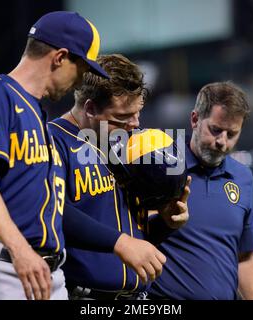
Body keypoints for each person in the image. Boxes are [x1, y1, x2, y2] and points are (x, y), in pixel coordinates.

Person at [0, 11, 110, 300]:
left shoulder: (38, 115)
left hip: (44, 271)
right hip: (2, 264)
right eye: (81, 69)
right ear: (60, 57)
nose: (80, 82)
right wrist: (20, 249)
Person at [47, 54, 190, 300]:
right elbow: (51, 209)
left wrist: (166, 222)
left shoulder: (127, 146)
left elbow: (135, 235)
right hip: (83, 296)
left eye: (138, 113)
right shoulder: (53, 141)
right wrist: (120, 242)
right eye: (123, 117)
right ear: (90, 108)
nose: (135, 125)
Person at [148, 82, 253, 300]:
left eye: (232, 134)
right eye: (215, 130)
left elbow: (245, 256)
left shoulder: (243, 178)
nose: (222, 141)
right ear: (195, 119)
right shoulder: (159, 165)